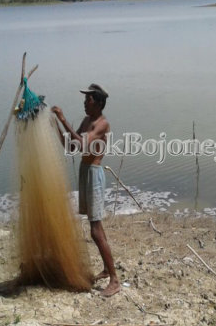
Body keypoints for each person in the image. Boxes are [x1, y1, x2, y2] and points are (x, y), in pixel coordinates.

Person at [51, 83, 121, 297]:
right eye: (84, 100)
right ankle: (107, 269)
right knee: (97, 227)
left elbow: (83, 144)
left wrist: (63, 120)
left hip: (94, 175)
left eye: (88, 100)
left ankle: (115, 280)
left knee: (95, 230)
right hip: (85, 171)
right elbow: (71, 147)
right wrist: (56, 126)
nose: (84, 103)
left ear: (99, 103)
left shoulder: (102, 124)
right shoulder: (86, 121)